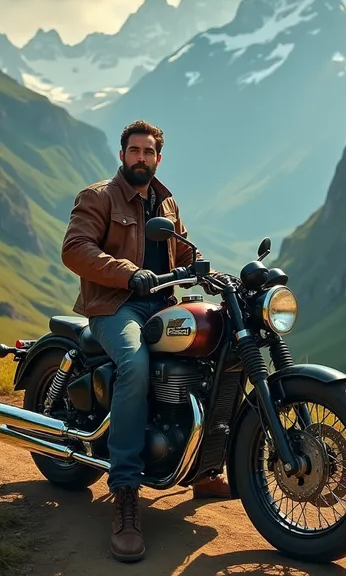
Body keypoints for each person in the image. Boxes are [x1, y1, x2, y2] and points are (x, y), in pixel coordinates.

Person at [61, 119, 232, 563]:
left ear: (158, 157)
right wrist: (127, 273)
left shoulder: (166, 199)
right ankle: (124, 494)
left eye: (148, 152)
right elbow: (75, 248)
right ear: (122, 155)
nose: (141, 158)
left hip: (160, 305)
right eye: (134, 151)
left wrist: (212, 272)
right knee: (134, 365)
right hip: (114, 306)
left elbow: (183, 249)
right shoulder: (99, 197)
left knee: (216, 353)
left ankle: (203, 465)